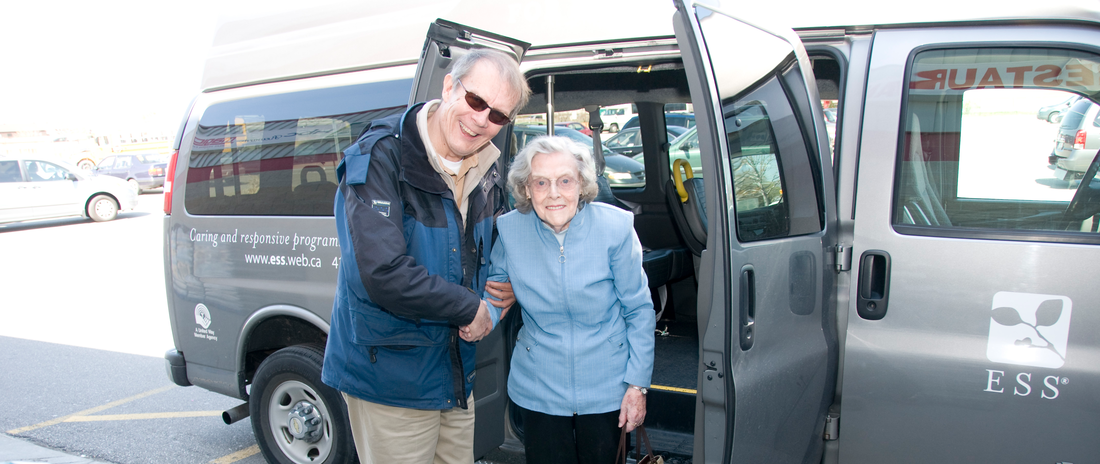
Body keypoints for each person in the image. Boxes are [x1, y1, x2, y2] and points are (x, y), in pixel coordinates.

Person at [321, 48, 531, 464]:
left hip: (454, 373)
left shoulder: (486, 165)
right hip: (392, 378)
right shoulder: (382, 155)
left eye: (498, 116)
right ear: (449, 85)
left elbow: (493, 247)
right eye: (475, 101)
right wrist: (470, 307)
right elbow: (382, 272)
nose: (481, 120)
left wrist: (507, 286)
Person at [477, 135, 656, 464]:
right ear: (527, 189)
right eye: (541, 182)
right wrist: (466, 319)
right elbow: (494, 297)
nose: (554, 193)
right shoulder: (511, 230)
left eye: (565, 181)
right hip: (539, 387)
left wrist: (637, 385)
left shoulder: (615, 229)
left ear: (582, 184)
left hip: (607, 385)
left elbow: (639, 310)